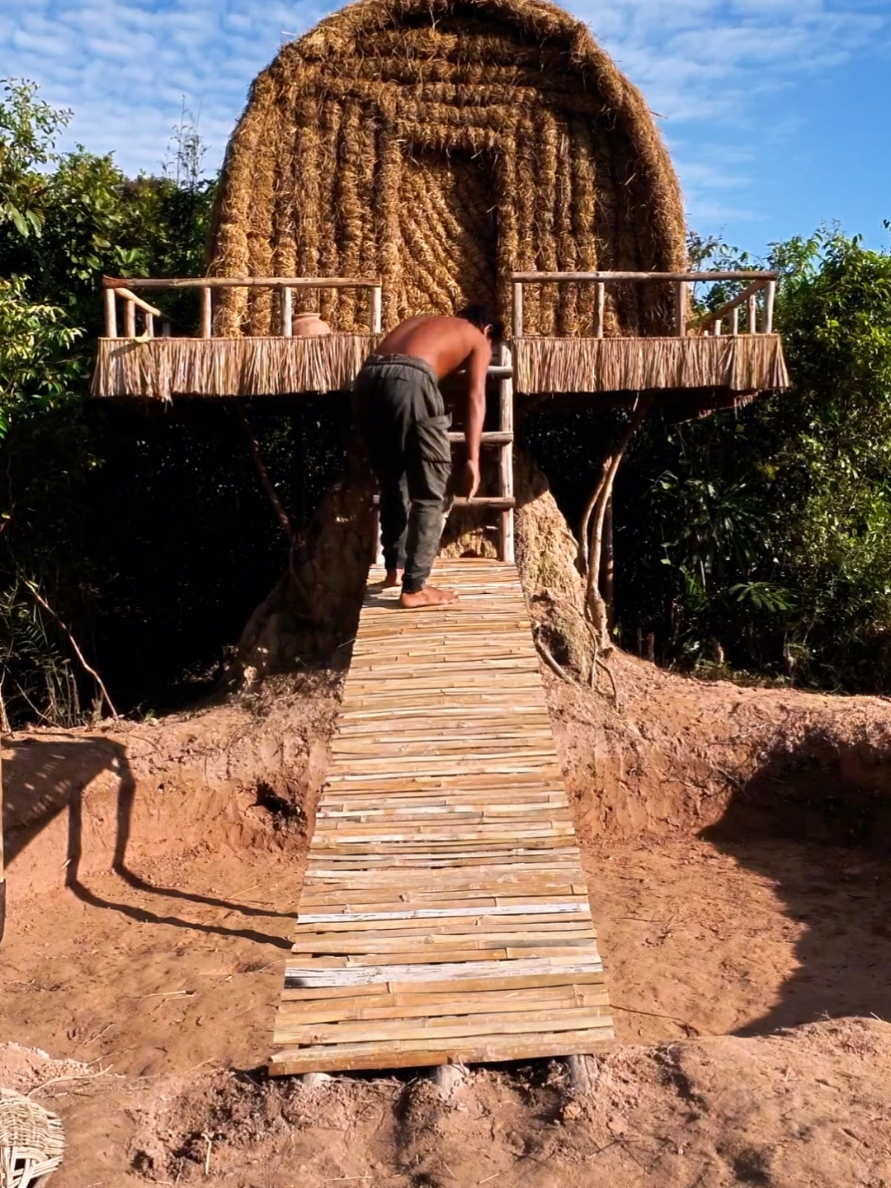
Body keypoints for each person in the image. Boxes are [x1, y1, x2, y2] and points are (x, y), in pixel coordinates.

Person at [354, 305, 497, 608]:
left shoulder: (420, 321)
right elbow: (476, 396)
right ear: (488, 330)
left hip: (369, 377)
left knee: (393, 480)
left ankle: (396, 568)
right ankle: (415, 588)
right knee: (432, 492)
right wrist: (472, 459)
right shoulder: (477, 337)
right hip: (410, 379)